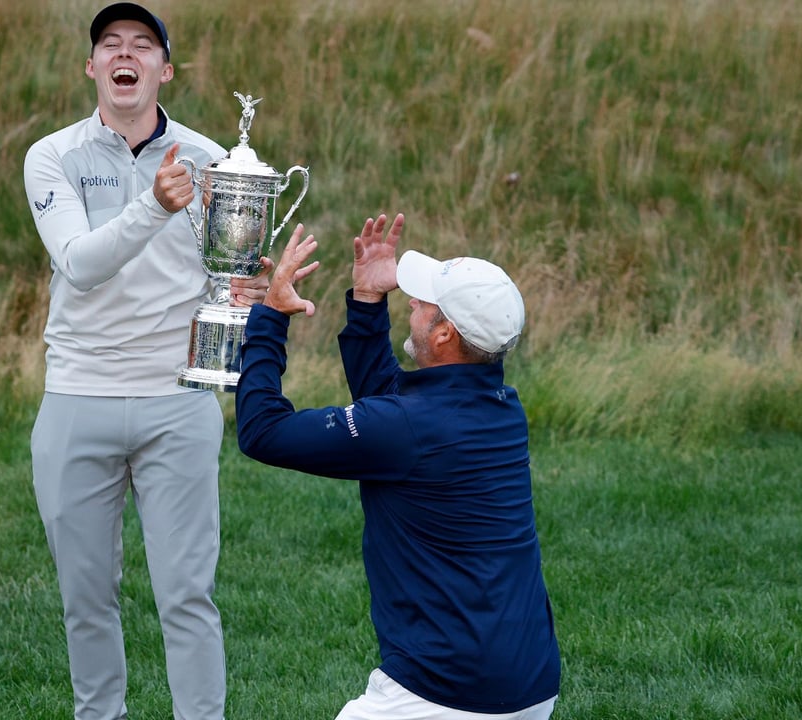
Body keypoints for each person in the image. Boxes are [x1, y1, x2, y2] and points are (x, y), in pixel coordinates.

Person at [22, 4, 264, 718]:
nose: (124, 54)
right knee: (85, 599)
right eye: (110, 44)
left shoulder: (210, 155)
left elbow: (225, 276)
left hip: (177, 402)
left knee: (188, 596)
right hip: (77, 398)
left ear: (164, 69)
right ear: (92, 67)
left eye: (142, 45)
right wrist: (154, 207)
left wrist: (255, 289)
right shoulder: (51, 155)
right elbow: (79, 264)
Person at [234, 215, 562, 719]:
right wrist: (367, 299)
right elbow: (389, 409)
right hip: (529, 684)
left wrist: (270, 318)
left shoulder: (409, 427)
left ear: (446, 334)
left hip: (445, 692)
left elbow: (261, 431)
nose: (412, 301)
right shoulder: (500, 405)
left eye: (424, 303)